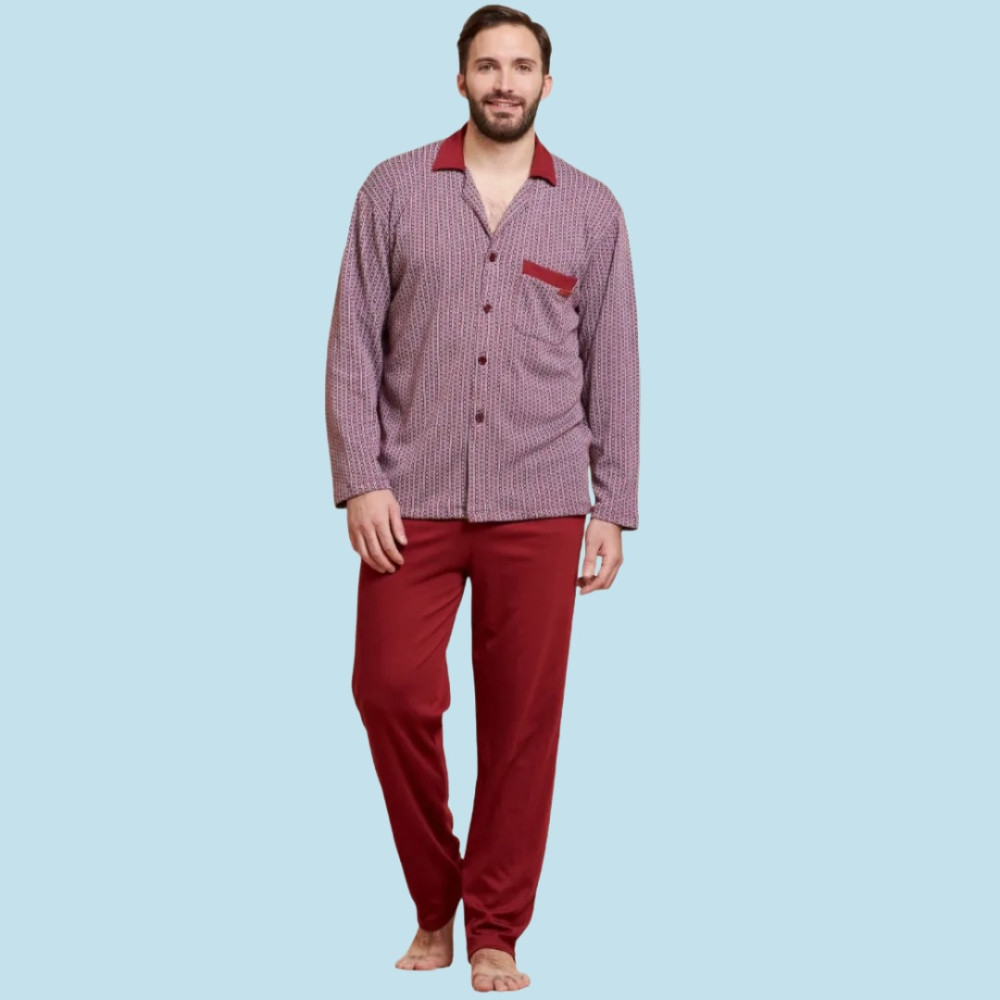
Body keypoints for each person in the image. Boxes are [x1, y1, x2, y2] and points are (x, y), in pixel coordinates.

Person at [324, 4, 640, 991]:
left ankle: (494, 926)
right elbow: (351, 344)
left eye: (522, 66)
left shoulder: (591, 209)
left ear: (548, 83)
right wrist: (360, 479)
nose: (505, 81)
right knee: (389, 690)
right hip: (409, 499)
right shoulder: (391, 190)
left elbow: (614, 363)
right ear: (460, 78)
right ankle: (437, 896)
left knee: (521, 724)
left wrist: (612, 504)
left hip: (542, 499)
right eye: (488, 65)